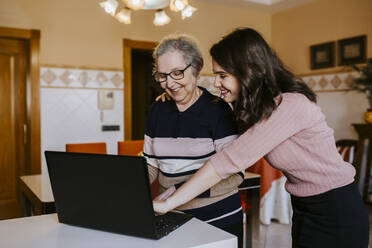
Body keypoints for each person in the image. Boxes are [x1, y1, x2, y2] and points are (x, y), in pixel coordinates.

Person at [153, 28, 369, 248]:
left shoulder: (291, 104)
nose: (216, 83)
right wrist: (178, 97)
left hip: (336, 209)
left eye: (222, 75)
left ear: (248, 71)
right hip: (305, 206)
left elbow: (229, 159)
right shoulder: (259, 109)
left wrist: (170, 202)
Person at [143, 34, 244, 247]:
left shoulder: (218, 111)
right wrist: (131, 187)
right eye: (162, 75)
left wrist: (179, 191)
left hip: (219, 218)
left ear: (196, 69)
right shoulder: (157, 110)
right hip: (171, 217)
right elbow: (151, 163)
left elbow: (235, 175)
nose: (169, 83)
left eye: (177, 73)